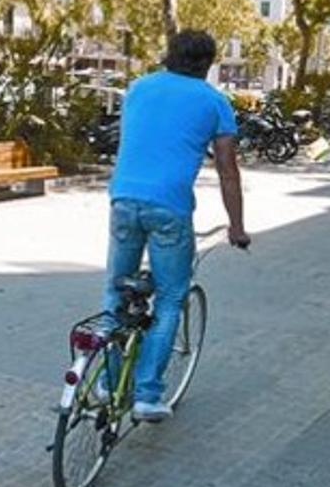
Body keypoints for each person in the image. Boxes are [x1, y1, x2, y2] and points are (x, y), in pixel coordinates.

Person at [100, 30, 249, 422]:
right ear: (209, 63)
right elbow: (228, 171)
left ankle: (105, 381)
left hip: (123, 198)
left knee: (116, 290)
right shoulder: (215, 102)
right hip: (169, 208)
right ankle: (147, 394)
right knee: (169, 299)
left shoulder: (137, 88)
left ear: (169, 54)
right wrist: (237, 226)